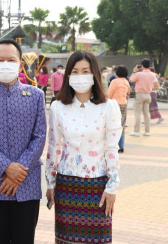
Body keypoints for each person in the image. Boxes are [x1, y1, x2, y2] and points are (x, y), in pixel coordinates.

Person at [0, 39, 47, 244]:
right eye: (0, 60)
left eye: (11, 60)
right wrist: (5, 168)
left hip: (27, 184)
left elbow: (39, 137)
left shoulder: (36, 96)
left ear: (21, 64)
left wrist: (17, 172)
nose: (5, 64)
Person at [46, 50, 122, 244]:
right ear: (68, 75)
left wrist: (112, 187)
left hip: (97, 185)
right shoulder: (58, 107)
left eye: (85, 71)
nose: (80, 76)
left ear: (94, 73)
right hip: (66, 185)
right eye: (75, 71)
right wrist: (50, 183)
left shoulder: (108, 107)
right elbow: (55, 146)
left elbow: (112, 149)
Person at [129, 59, 157, 136]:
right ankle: (147, 131)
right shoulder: (153, 74)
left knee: (138, 113)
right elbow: (155, 84)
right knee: (147, 113)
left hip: (140, 94)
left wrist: (134, 71)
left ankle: (136, 131)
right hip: (148, 94)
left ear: (142, 65)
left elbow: (131, 80)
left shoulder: (139, 74)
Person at [108, 65, 131, 153]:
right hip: (124, 104)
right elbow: (128, 94)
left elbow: (109, 94)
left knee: (112, 124)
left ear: (117, 73)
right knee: (122, 125)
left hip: (114, 104)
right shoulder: (126, 82)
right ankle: (121, 146)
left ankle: (113, 145)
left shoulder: (114, 81)